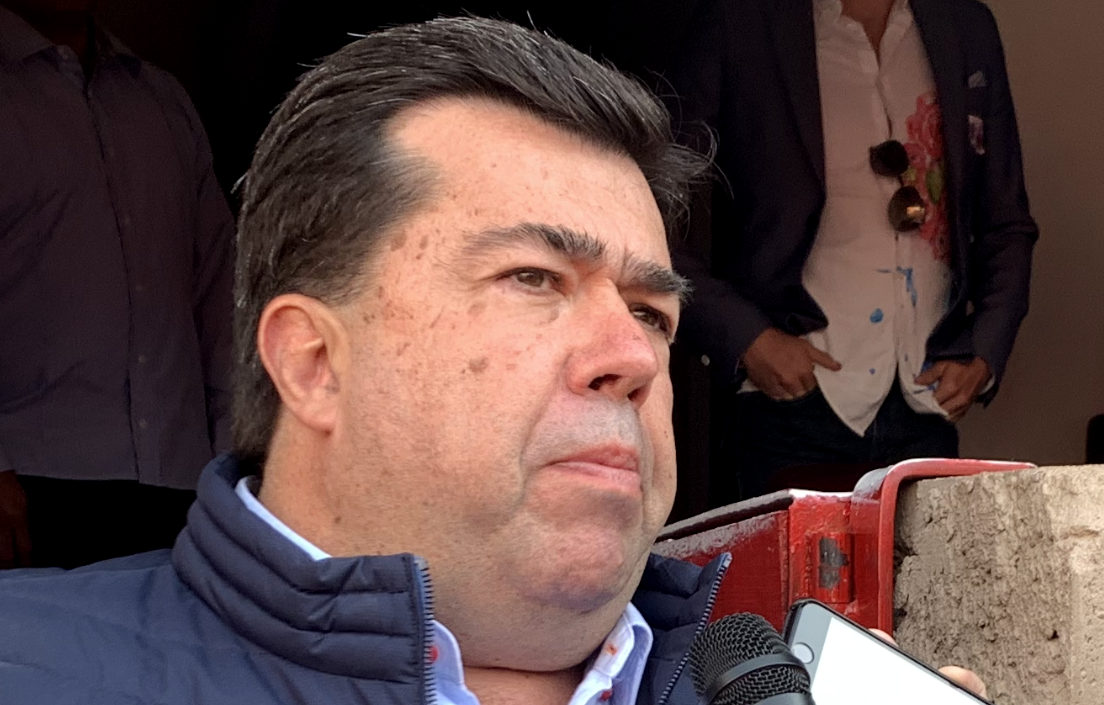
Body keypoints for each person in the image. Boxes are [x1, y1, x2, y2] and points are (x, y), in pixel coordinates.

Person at [0, 16, 988, 705]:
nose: (632, 358)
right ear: (312, 361)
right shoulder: (31, 664)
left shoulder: (769, 688)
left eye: (652, 313)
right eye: (533, 278)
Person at [666, 0, 1038, 501]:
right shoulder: (743, 22)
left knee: (924, 556)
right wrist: (746, 338)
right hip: (790, 398)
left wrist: (985, 352)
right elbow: (651, 204)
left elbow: (1006, 222)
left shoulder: (964, 25)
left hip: (926, 398)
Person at [0, 0, 234, 568]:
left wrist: (238, 465)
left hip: (181, 482)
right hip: (27, 484)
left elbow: (220, 297)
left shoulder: (161, 99)